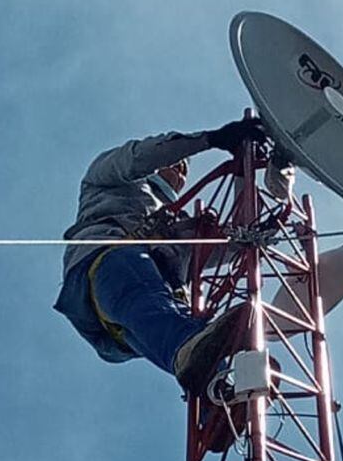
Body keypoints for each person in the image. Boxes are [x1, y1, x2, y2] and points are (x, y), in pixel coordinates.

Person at [53, 118, 270, 405]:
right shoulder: (105, 180)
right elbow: (140, 157)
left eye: (185, 167)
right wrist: (211, 139)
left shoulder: (179, 229)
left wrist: (248, 168)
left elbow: (238, 242)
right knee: (163, 313)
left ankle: (218, 400)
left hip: (128, 324)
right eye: (179, 160)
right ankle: (190, 352)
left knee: (194, 346)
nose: (182, 167)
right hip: (107, 267)